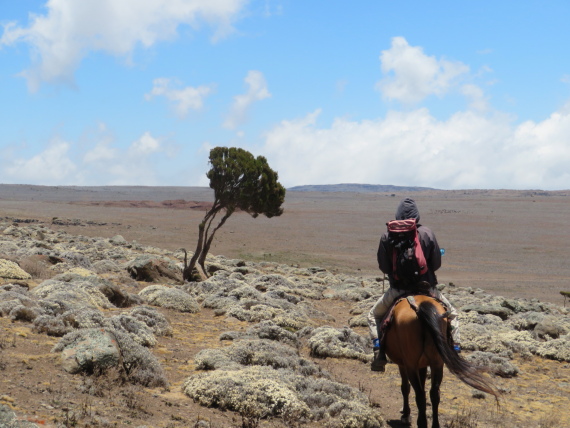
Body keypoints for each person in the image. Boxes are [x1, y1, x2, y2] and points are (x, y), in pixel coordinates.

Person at [368, 197, 460, 372]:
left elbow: (384, 266)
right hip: (426, 288)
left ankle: (379, 352)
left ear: (397, 215)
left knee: (373, 316)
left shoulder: (387, 235)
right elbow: (437, 264)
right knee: (453, 314)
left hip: (398, 289)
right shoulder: (427, 233)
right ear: (417, 216)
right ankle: (455, 349)